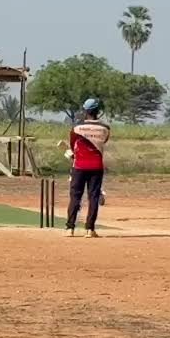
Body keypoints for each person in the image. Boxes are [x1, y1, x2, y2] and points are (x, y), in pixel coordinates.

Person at [64, 98, 110, 237]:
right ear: (98, 111)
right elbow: (103, 142)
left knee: (75, 197)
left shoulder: (76, 128)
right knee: (93, 197)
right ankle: (90, 229)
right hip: (96, 166)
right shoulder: (105, 129)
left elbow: (73, 146)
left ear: (85, 110)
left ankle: (70, 228)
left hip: (79, 166)